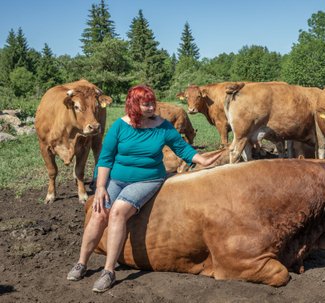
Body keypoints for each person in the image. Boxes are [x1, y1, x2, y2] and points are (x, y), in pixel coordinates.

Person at [66, 85, 221, 293]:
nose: (150, 107)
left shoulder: (163, 126)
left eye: (151, 103)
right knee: (98, 211)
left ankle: (109, 271)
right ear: (133, 104)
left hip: (147, 180)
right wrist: (101, 186)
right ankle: (81, 263)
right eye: (145, 104)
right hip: (116, 178)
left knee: (118, 211)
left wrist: (202, 159)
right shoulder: (120, 126)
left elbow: (182, 148)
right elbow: (105, 158)